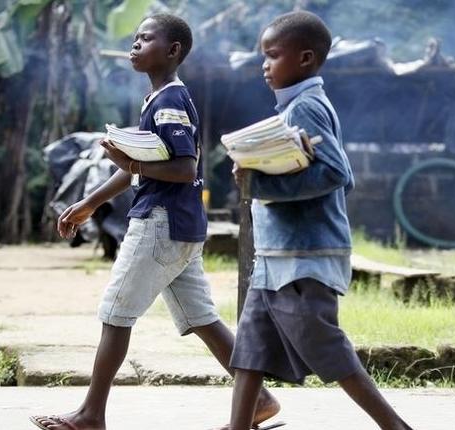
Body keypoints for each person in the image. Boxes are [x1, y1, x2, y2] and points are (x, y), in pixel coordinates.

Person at [29, 13, 278, 430]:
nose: (135, 45)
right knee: (202, 318)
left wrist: (131, 163)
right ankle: (260, 402)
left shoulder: (169, 102)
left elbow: (183, 168)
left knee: (115, 313)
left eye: (145, 39)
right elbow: (134, 168)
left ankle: (91, 415)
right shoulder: (159, 98)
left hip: (160, 223)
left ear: (173, 50)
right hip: (180, 225)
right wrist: (88, 203)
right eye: (135, 39)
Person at [224, 11, 412, 430]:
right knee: (252, 346)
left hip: (304, 256)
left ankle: (395, 426)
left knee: (324, 345)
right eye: (264, 57)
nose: (265, 65)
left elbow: (336, 175)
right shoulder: (294, 108)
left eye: (273, 56)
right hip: (277, 255)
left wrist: (260, 183)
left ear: (306, 59)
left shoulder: (306, 107)